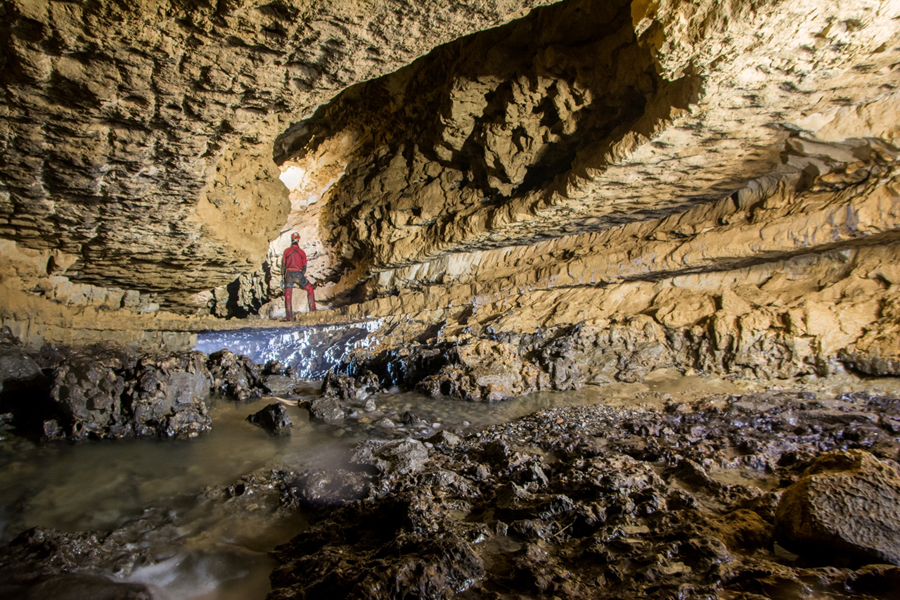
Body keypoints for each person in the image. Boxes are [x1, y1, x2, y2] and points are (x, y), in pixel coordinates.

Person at [281, 232, 316, 321]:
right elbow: (304, 267)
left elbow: (283, 265)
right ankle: (313, 310)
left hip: (289, 273)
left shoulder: (287, 251)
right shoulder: (302, 252)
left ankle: (289, 317)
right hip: (298, 273)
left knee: (288, 295)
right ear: (298, 239)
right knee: (310, 288)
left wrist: (283, 277)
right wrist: (301, 275)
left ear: (291, 239)